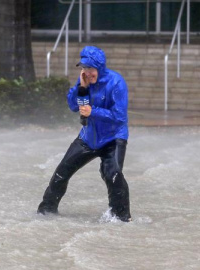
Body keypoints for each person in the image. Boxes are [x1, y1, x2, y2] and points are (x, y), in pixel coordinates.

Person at [37, 46, 132, 222]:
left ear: (100, 67)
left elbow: (119, 118)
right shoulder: (84, 82)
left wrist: (93, 111)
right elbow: (74, 106)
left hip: (113, 138)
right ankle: (46, 212)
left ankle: (121, 218)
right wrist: (81, 87)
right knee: (61, 173)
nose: (87, 72)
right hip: (88, 138)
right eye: (83, 68)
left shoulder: (117, 83)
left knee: (113, 174)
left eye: (90, 68)